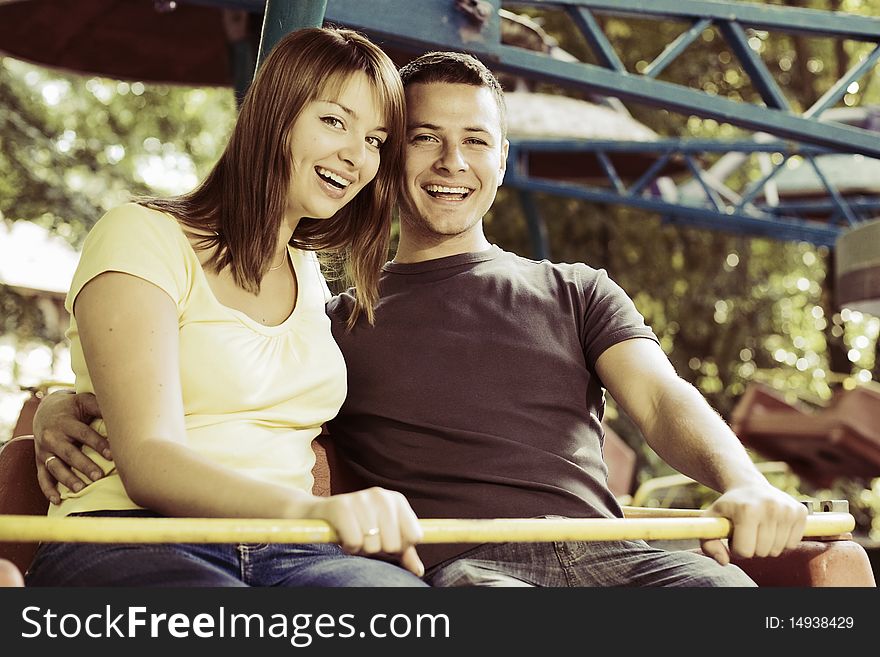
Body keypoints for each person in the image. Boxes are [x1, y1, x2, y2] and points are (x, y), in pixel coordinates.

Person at [34, 50, 808, 587]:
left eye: (476, 141)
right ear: (390, 163)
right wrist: (61, 405)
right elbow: (215, 382)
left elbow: (662, 400)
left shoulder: (577, 288)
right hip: (468, 569)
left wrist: (745, 482)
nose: (451, 162)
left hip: (613, 552)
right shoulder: (331, 324)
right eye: (421, 139)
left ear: (502, 161)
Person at [23, 27, 427, 587]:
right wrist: (316, 511)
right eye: (334, 121)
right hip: (131, 538)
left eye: (377, 140)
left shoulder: (310, 278)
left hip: (291, 554)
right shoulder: (141, 235)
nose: (357, 156)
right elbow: (148, 460)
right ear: (275, 114)